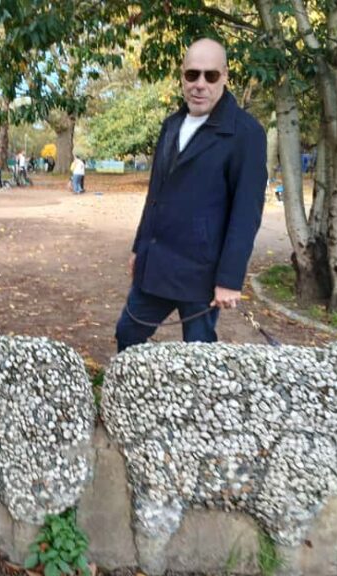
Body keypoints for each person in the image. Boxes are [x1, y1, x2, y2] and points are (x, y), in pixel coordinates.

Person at [114, 38, 267, 351]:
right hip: (156, 263)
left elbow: (246, 213)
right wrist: (138, 248)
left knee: (199, 355)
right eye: (192, 75)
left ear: (224, 76)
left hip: (203, 273)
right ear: (182, 75)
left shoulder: (245, 133)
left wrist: (230, 279)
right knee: (127, 334)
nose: (200, 84)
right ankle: (133, 398)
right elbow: (155, 196)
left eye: (210, 76)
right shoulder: (171, 125)